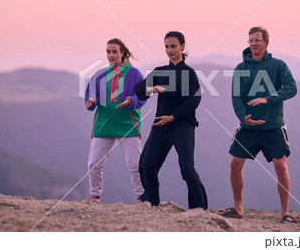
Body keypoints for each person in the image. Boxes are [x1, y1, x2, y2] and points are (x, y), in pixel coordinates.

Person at [219, 26, 298, 223]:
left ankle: (285, 213)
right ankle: (238, 208)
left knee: (281, 167)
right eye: (251, 41)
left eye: (257, 40)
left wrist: (268, 99)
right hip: (248, 127)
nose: (254, 44)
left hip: (273, 126)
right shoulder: (240, 69)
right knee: (235, 164)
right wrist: (243, 117)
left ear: (266, 43)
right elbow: (236, 97)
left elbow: (291, 88)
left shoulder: (278, 65)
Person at [134, 31, 208, 209]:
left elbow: (194, 100)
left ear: (182, 47)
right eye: (166, 46)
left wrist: (173, 117)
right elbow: (139, 88)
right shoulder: (160, 71)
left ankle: (199, 208)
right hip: (161, 125)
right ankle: (152, 201)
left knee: (187, 169)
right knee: (146, 164)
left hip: (183, 125)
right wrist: (152, 88)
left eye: (173, 46)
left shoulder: (189, 73)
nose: (169, 50)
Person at [85, 38, 146, 203]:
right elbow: (90, 97)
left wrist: (131, 101)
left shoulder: (135, 74)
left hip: (128, 125)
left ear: (123, 53)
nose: (111, 55)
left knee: (135, 165)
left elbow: (142, 96)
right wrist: (91, 102)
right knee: (94, 164)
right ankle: (95, 196)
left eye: (114, 52)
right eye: (108, 52)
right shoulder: (99, 75)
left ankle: (142, 198)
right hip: (103, 125)